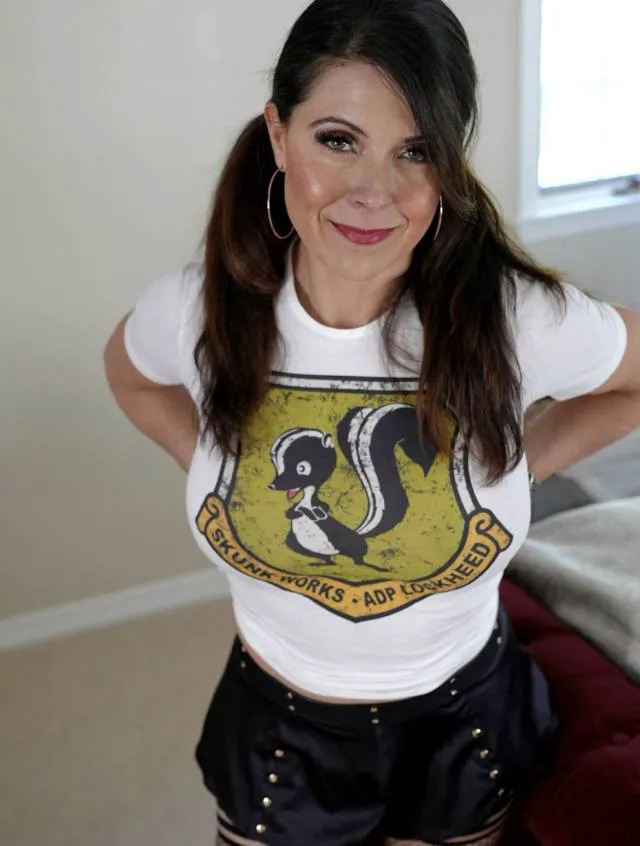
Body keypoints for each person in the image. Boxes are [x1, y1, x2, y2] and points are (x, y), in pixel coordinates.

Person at [103, 1, 640, 844]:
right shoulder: (197, 311)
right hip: (280, 727)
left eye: (415, 152)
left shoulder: (513, 318)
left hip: (462, 717)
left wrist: (524, 460)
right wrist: (207, 454)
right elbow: (130, 376)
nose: (373, 193)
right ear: (280, 135)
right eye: (338, 139)